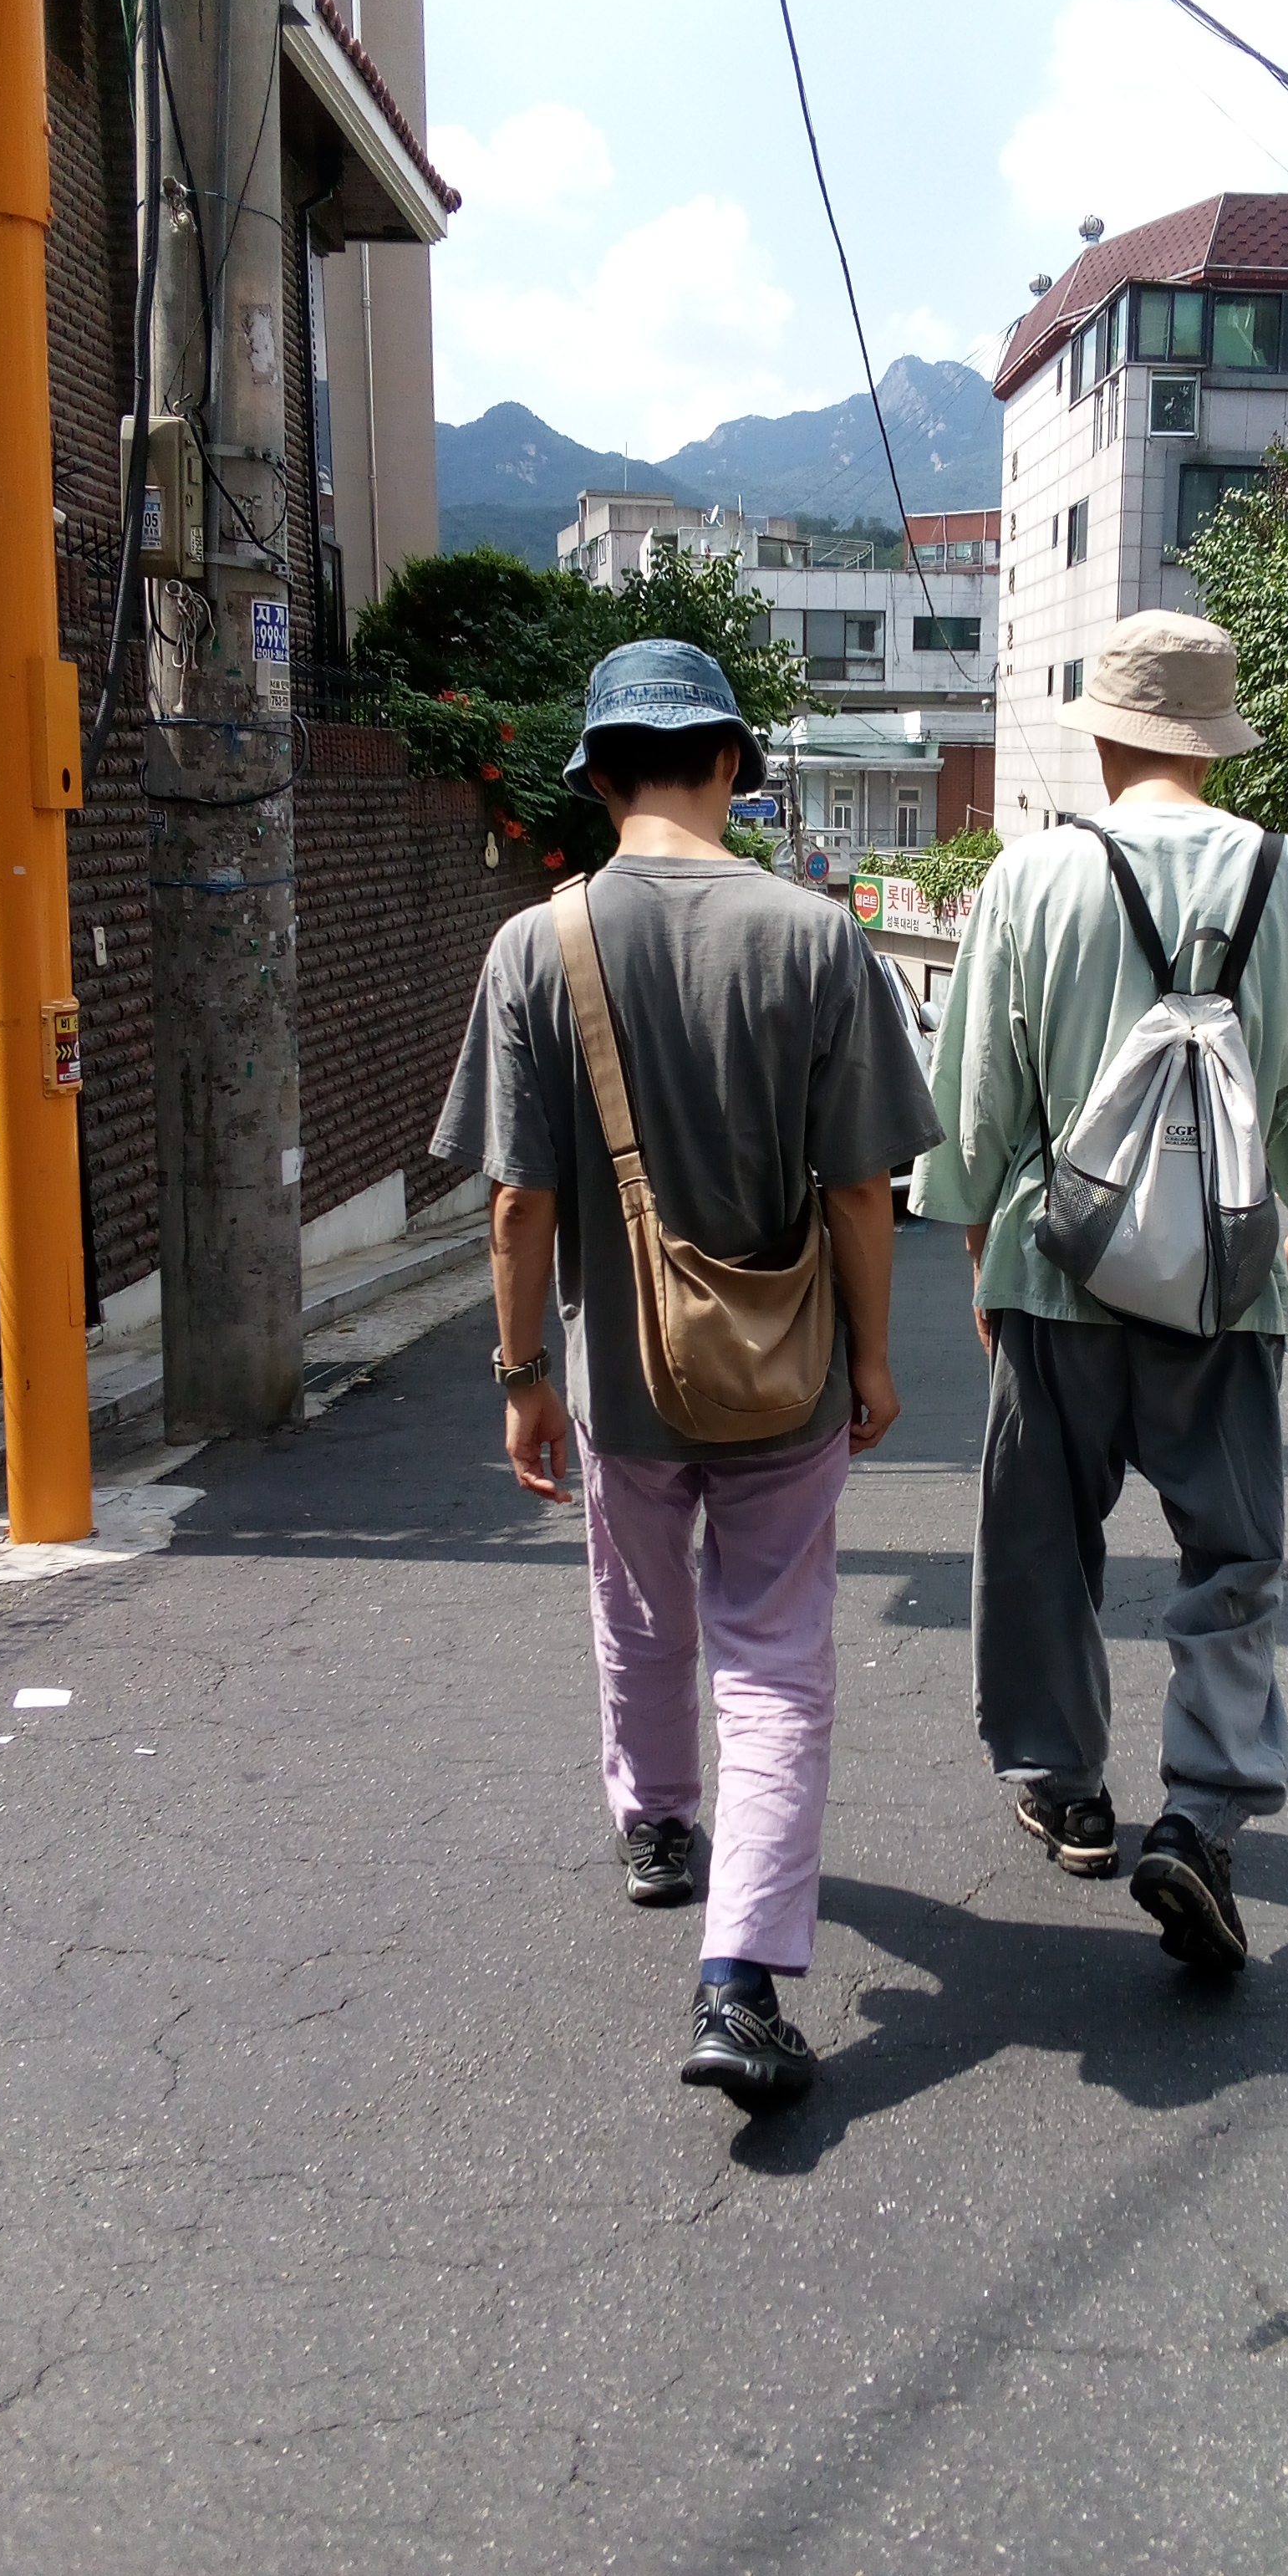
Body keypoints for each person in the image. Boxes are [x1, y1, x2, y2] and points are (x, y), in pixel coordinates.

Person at [433, 639, 942, 2100]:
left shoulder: (537, 946)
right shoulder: (817, 938)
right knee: (774, 1665)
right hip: (786, 1376)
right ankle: (741, 1982)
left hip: (623, 1383)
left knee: (640, 1613)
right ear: (731, 764)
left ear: (598, 779)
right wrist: (873, 1361)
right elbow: (863, 1188)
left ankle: (659, 1827)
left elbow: (518, 1202)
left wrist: (522, 1374)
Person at [909, 610, 1288, 1973]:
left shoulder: (1034, 876)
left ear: (1107, 737)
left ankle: (1065, 1787)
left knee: (1041, 1541)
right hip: (1222, 1282)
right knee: (1231, 1554)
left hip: (1056, 1270)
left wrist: (981, 1242)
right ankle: (1202, 1816)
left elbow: (978, 1091)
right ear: (1215, 738)